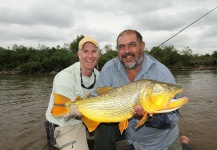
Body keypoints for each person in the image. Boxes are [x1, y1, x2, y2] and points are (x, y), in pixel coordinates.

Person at [91, 29, 183, 150]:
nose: (127, 51)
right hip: (130, 136)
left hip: (161, 142)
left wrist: (150, 117)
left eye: (132, 45)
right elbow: (95, 97)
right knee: (102, 127)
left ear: (142, 46)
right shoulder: (109, 68)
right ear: (118, 50)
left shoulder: (162, 73)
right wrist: (77, 107)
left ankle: (183, 142)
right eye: (122, 47)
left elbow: (173, 118)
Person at [45, 36, 100, 150]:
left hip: (86, 117)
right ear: (79, 54)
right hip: (64, 124)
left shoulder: (99, 76)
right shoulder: (65, 77)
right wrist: (71, 111)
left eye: (93, 51)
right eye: (85, 51)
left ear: (98, 54)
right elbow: (60, 113)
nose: (90, 56)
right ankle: (55, 141)